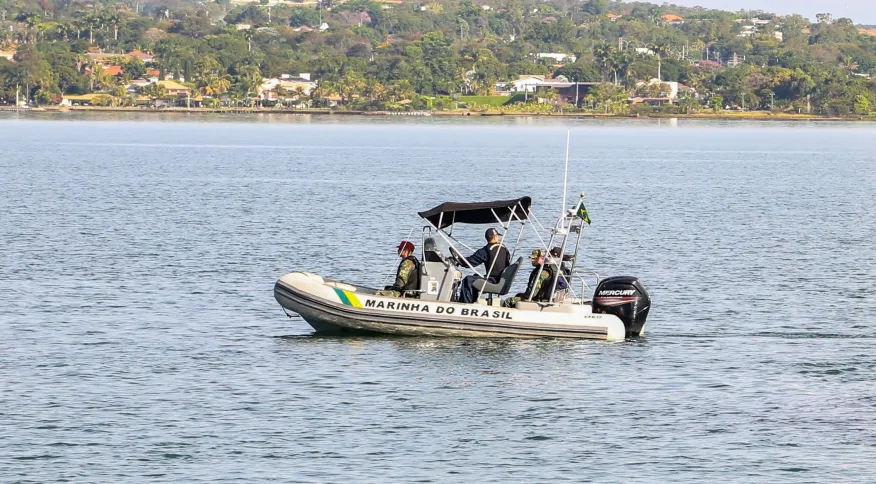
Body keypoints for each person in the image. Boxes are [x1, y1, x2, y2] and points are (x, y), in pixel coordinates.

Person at [453, 228, 510, 303]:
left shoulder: (487, 250)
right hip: (502, 280)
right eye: (497, 236)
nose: (498, 238)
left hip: (493, 280)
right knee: (475, 276)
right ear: (495, 237)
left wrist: (458, 260)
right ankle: (472, 302)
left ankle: (465, 303)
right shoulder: (504, 248)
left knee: (468, 280)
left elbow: (469, 263)